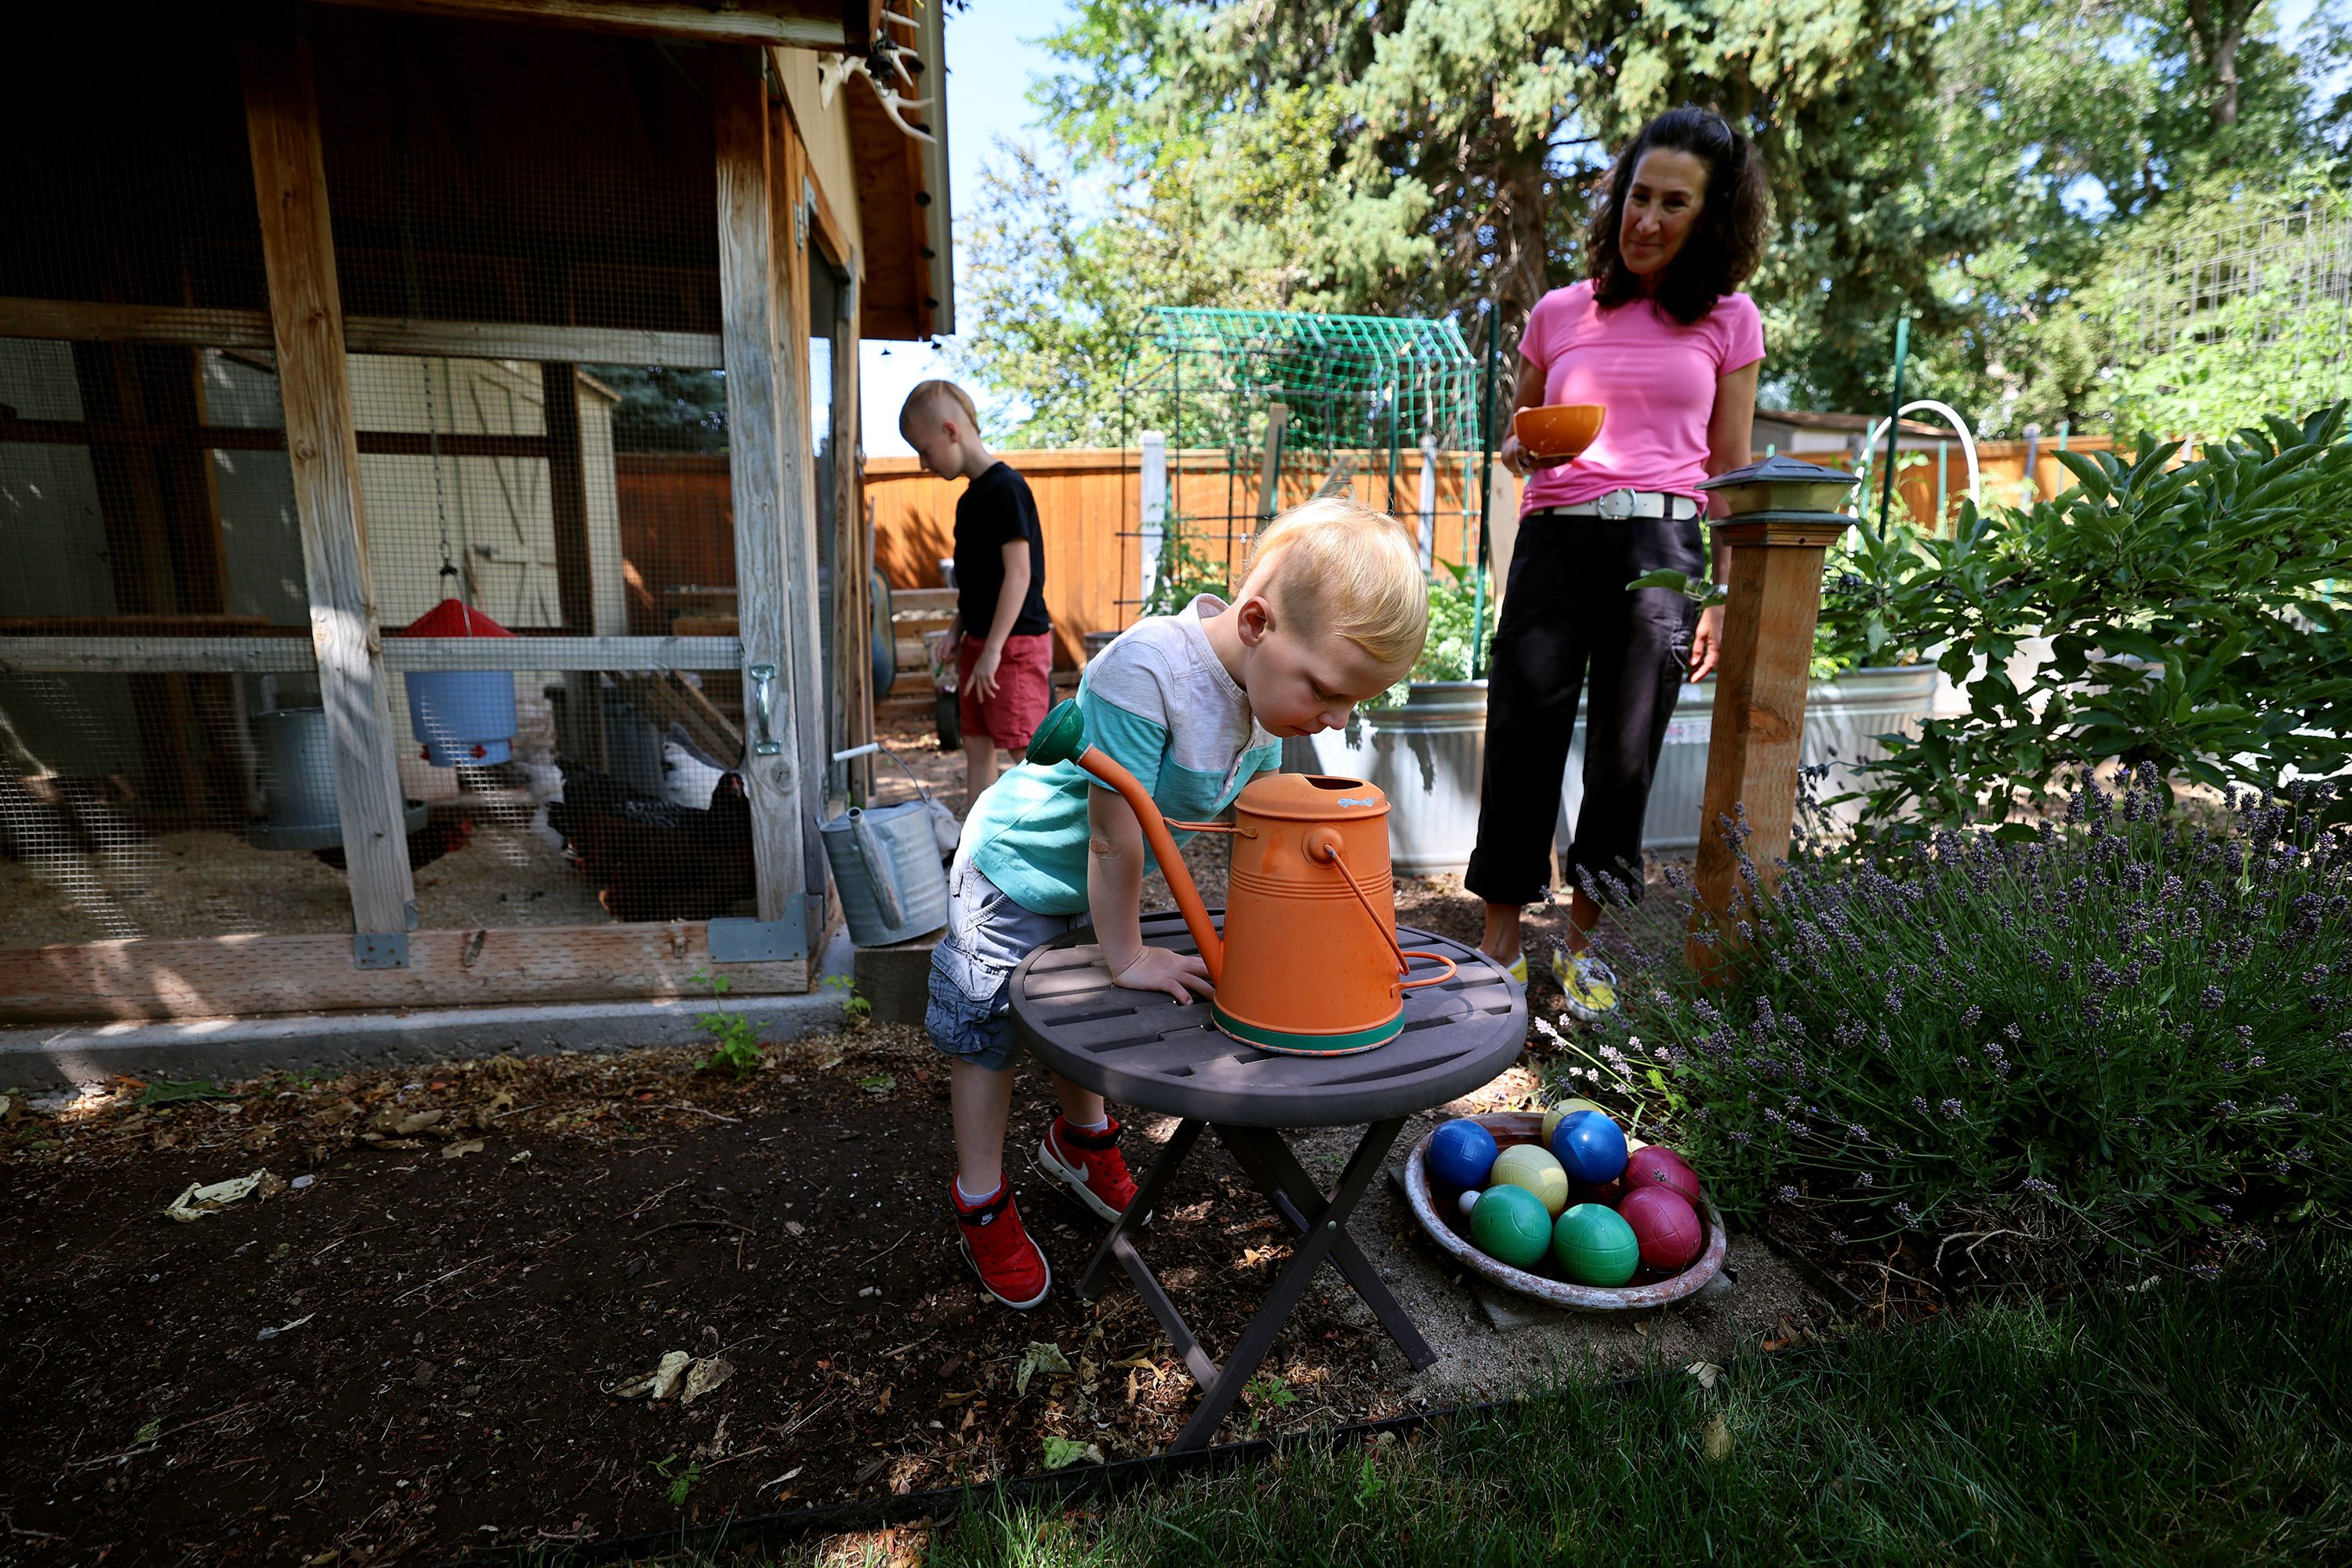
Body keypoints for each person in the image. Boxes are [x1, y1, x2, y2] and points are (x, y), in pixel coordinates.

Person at [927, 497, 1428, 1308]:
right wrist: (1126, 954)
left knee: (1079, 1015)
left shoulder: (1265, 702)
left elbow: (1260, 838)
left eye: (1352, 704)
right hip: (1017, 868)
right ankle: (980, 1196)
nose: (1334, 723)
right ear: (1260, 622)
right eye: (1330, 692)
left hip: (1091, 886)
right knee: (988, 1034)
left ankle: (1081, 1142)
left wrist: (1292, 950)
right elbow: (1112, 838)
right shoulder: (1146, 670)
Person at [1467, 106, 1769, 1019]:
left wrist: (1717, 591)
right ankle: (1500, 945)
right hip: (1558, 537)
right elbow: (1519, 440)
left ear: (1709, 219)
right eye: (1639, 195)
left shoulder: (1731, 320)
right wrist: (1525, 453)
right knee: (1521, 738)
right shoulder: (1561, 311)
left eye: (1674, 204)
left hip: (1664, 550)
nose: (1648, 219)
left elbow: (1729, 466)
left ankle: (1588, 951)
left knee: (1624, 758)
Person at [900, 379, 1054, 803]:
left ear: (951, 431)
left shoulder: (1006, 489)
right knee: (976, 742)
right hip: (980, 644)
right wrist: (956, 631)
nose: (922, 464)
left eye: (924, 450)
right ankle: (977, 851)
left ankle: (1046, 847)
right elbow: (979, 584)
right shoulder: (969, 502)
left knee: (1025, 748)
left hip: (1014, 646)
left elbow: (1018, 576)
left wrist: (993, 652)